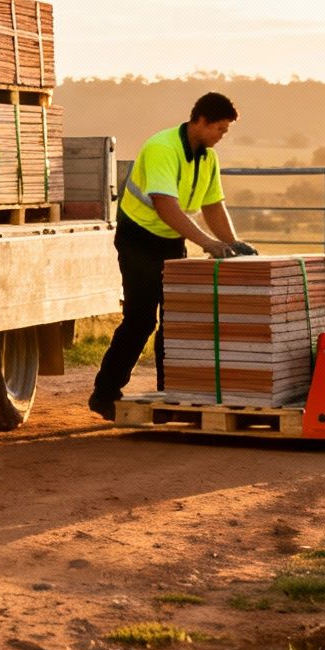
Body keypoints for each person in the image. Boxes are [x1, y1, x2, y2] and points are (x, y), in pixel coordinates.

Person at [88, 92, 256, 420]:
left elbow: (213, 205)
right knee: (140, 320)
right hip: (138, 238)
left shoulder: (207, 157)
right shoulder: (162, 148)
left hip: (170, 239)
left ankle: (171, 395)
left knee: (175, 321)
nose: (222, 137)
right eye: (219, 129)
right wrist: (209, 244)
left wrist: (233, 244)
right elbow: (166, 206)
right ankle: (105, 394)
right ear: (201, 121)